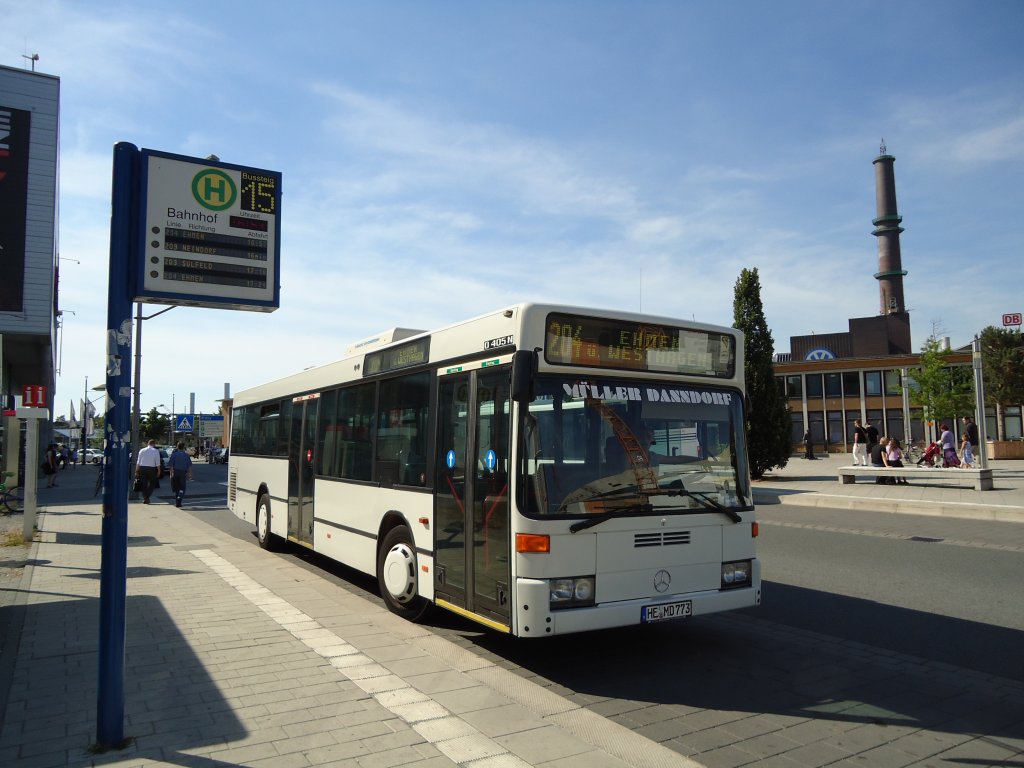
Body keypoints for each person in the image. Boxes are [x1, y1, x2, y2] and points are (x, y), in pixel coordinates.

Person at [135, 439, 162, 504]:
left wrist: (136, 470)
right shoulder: (155, 451)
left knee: (144, 484)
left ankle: (145, 498)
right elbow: (157, 462)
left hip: (142, 468)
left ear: (148, 444)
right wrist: (159, 471)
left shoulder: (142, 450)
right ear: (154, 444)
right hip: (151, 469)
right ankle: (147, 497)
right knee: (153, 483)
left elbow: (138, 461)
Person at [168, 441, 194, 507]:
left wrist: (171, 474)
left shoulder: (174, 455)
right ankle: (180, 497)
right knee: (182, 488)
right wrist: (190, 475)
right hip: (182, 473)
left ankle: (178, 502)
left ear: (177, 447)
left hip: (175, 472)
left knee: (177, 488)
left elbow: (171, 465)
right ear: (184, 447)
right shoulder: (186, 455)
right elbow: (190, 466)